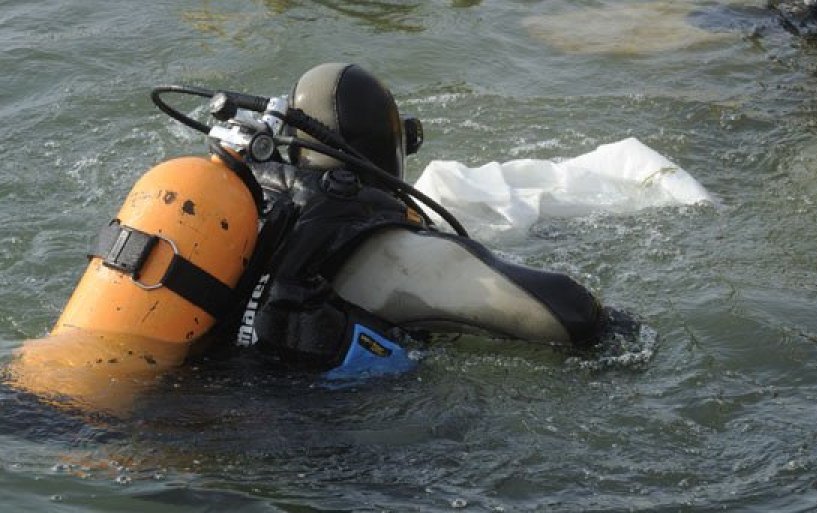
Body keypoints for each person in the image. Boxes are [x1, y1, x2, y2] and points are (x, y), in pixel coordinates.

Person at [229, 63, 637, 376]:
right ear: (391, 146)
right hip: (319, 462)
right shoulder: (395, 256)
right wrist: (618, 331)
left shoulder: (238, 209)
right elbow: (568, 313)